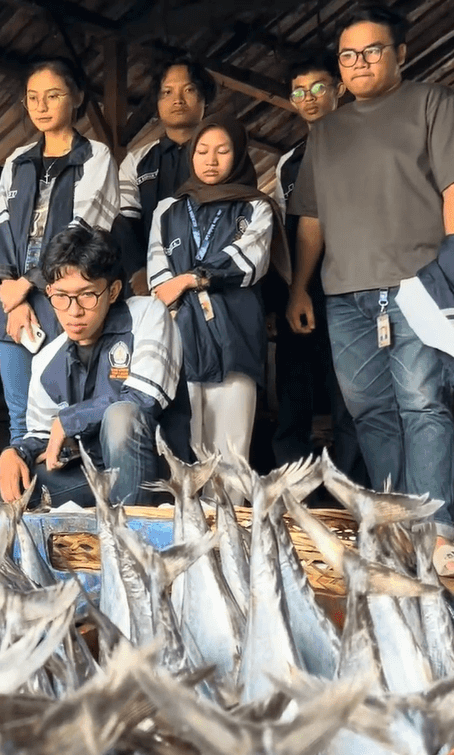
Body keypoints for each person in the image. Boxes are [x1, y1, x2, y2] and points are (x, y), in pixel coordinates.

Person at [286, 4, 454, 560]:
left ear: (400, 54)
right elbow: (311, 219)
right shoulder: (325, 131)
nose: (358, 63)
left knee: (423, 403)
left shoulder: (431, 103)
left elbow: (453, 190)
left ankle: (435, 534)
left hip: (418, 285)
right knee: (370, 413)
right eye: (348, 55)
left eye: (372, 50)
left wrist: (446, 269)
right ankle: (390, 530)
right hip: (345, 297)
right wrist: (299, 287)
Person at [0, 222, 188, 507]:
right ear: (49, 292)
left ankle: (129, 540)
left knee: (121, 416)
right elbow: (42, 436)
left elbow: (144, 399)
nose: (74, 311)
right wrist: (16, 452)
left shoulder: (147, 315)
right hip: (89, 475)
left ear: (112, 292)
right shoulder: (47, 360)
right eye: (61, 297)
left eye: (87, 295)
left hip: (156, 475)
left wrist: (71, 419)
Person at [0, 59, 119, 446]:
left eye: (53, 95)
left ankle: (64, 499)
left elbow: (85, 229)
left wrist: (29, 285)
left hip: (65, 297)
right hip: (11, 300)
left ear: (77, 97)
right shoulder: (16, 160)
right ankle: (21, 505)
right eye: (33, 98)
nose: (41, 106)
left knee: (66, 408)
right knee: (18, 414)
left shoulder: (95, 157)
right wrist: (10, 296)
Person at [148, 115, 282, 464]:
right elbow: (158, 275)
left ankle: (228, 520)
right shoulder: (168, 210)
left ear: (237, 156)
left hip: (234, 336)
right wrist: (178, 285)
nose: (210, 159)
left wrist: (189, 279)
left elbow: (249, 262)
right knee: (183, 446)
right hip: (181, 337)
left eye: (222, 151)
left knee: (231, 451)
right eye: (202, 151)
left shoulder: (257, 206)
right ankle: (188, 519)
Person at [268, 54, 366, 482]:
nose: (309, 99)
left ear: (339, 89)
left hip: (356, 284)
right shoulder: (287, 162)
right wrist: (293, 291)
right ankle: (294, 489)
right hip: (304, 289)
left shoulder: (364, 144)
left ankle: (350, 488)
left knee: (351, 392)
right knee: (294, 389)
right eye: (299, 92)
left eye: (319, 88)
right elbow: (287, 237)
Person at [114, 56, 217, 297]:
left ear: (205, 99)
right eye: (167, 92)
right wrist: (138, 272)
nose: (178, 100)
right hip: (149, 286)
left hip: (208, 283)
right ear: (157, 103)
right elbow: (122, 221)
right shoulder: (138, 160)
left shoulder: (221, 155)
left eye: (189, 90)